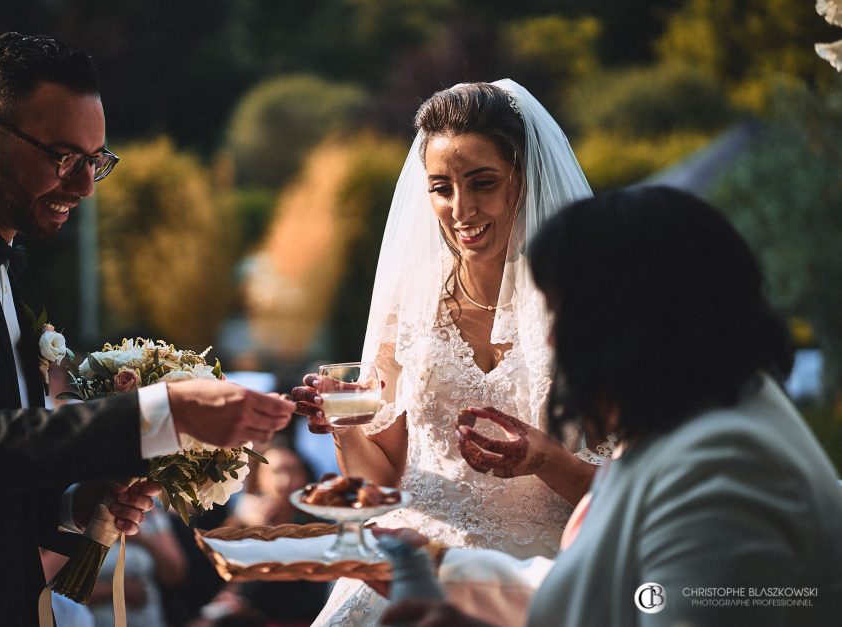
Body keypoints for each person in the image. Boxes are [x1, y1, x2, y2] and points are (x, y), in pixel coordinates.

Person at [0, 32, 294, 625]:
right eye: (62, 158)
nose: (84, 186)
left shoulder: (2, 252)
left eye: (95, 161)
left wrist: (73, 500)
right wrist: (166, 411)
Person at [381, 186, 842, 626]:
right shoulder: (689, 417)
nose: (552, 339)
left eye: (567, 314)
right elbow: (605, 590)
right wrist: (438, 564)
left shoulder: (726, 464)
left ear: (641, 320)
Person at [292, 80, 612, 625]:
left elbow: (632, 495)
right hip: (416, 562)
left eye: (482, 183)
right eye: (441, 187)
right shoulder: (410, 307)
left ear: (523, 180)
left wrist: (543, 460)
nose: (460, 209)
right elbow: (385, 483)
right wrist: (344, 426)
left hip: (537, 577)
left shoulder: (588, 313)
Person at [191, 444, 329, 627]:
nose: (285, 481)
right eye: (276, 472)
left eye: (294, 471)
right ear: (259, 479)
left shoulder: (317, 525)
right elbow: (208, 568)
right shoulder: (246, 516)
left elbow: (303, 595)